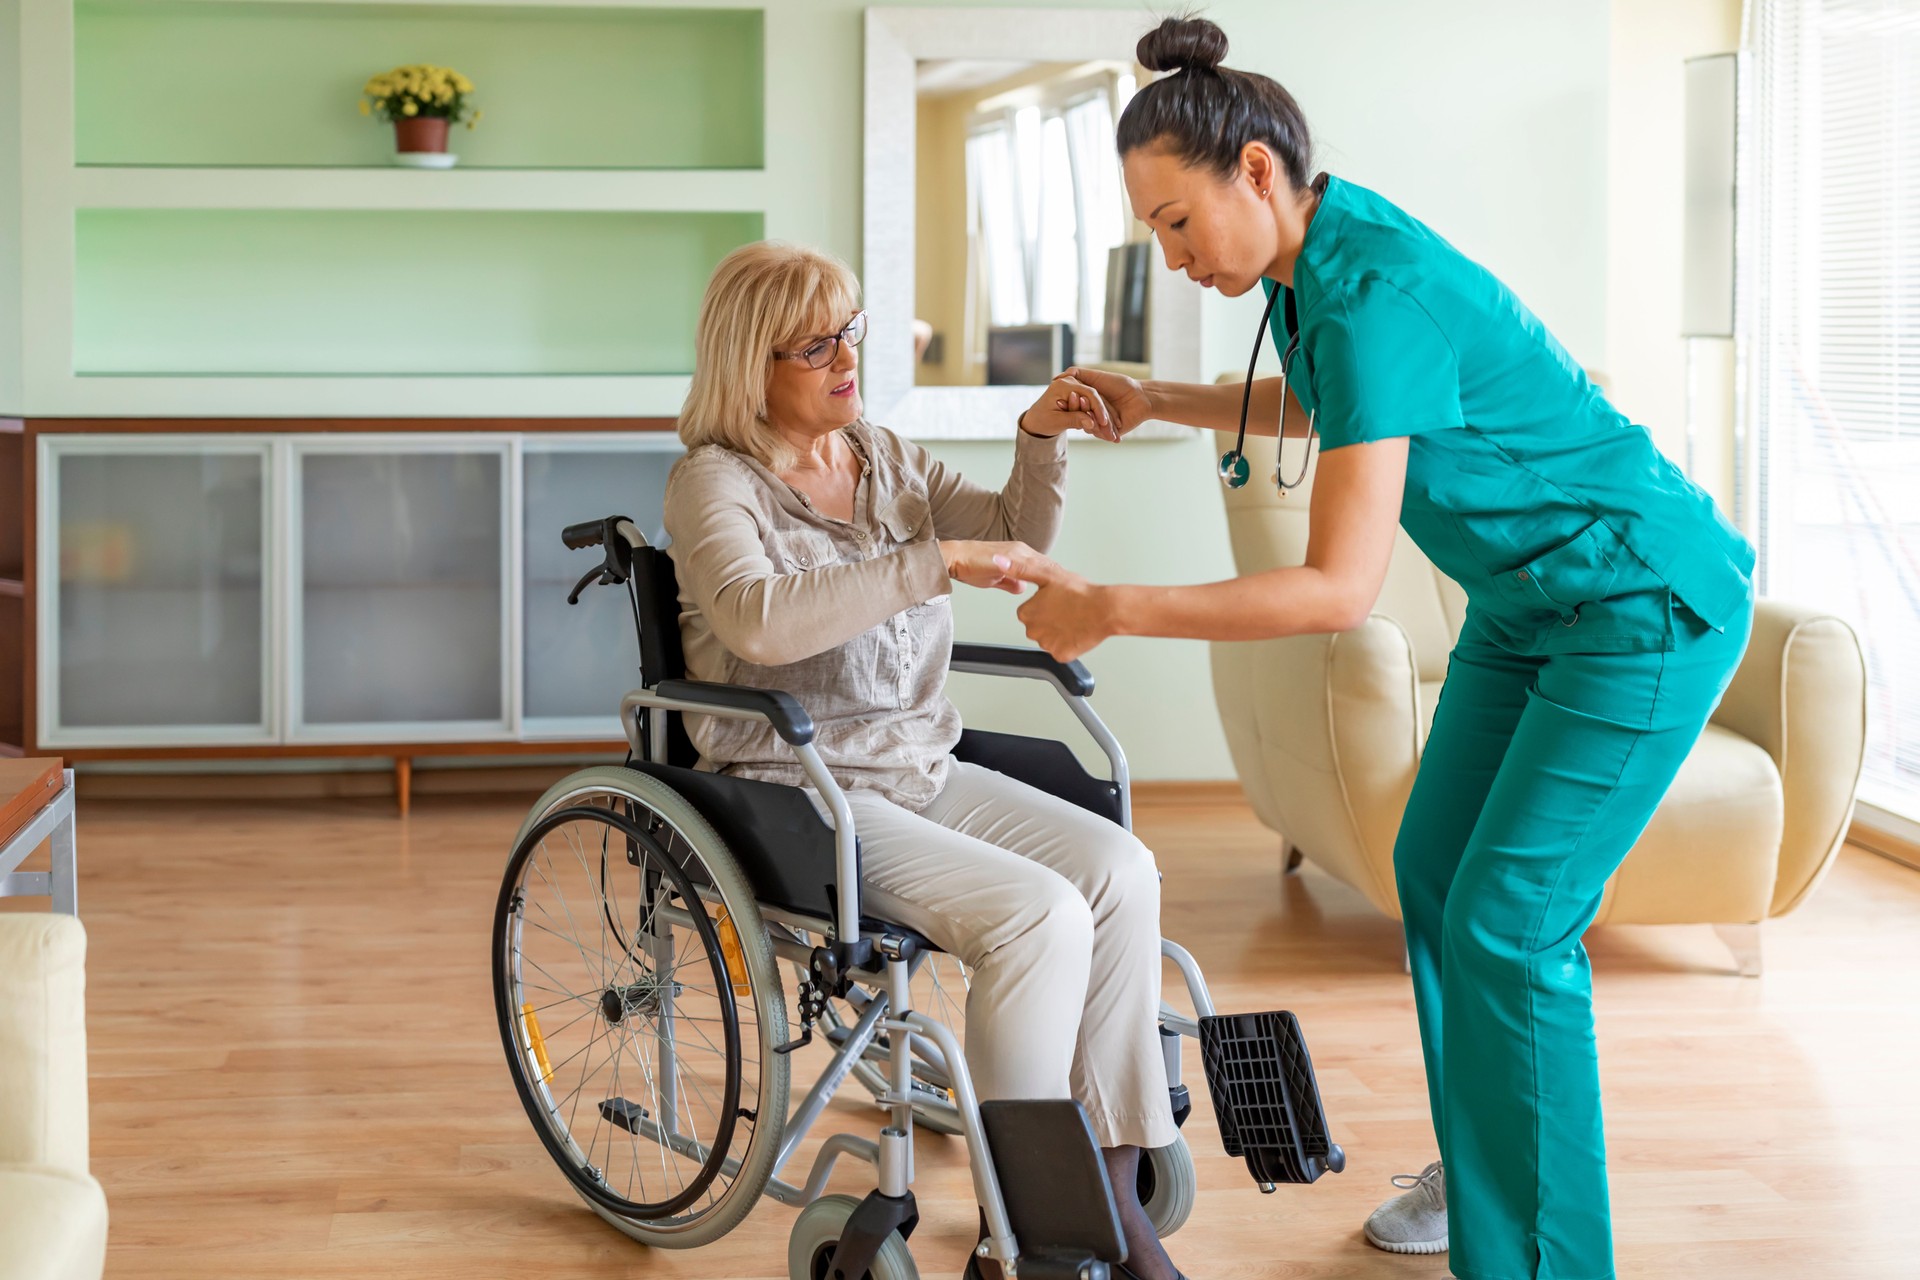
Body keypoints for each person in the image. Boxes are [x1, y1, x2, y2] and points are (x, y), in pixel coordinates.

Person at [1017, 18, 1755, 1280]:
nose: (1173, 253)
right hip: (1532, 611)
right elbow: (1342, 397)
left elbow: (1333, 588)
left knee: (1514, 916)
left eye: (1178, 222)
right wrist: (1168, 394)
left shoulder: (1366, 286)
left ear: (1255, 171)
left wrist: (1113, 605)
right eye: (1153, 231)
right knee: (1434, 865)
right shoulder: (1321, 255)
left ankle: (1538, 1255)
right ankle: (1484, 1179)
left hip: (1639, 605)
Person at [663, 240, 1189, 1280]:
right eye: (814, 343)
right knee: (1038, 913)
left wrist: (1038, 436)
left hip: (920, 764)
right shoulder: (713, 485)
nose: (844, 356)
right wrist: (928, 560)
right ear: (748, 364)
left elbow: (1008, 534)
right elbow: (762, 623)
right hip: (804, 792)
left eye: (848, 329)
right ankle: (1025, 1224)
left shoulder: (886, 456)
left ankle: (1110, 1190)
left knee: (1121, 868)